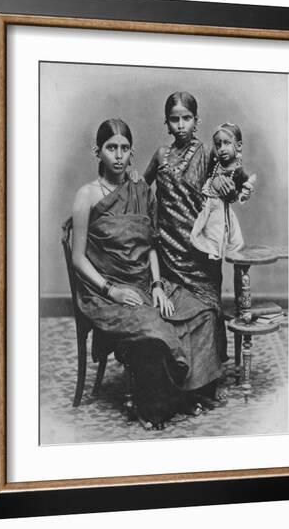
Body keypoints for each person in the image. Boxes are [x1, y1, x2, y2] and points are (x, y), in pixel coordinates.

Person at [71, 118, 207, 429]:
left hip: (145, 281)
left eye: (124, 149)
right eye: (110, 148)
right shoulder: (87, 196)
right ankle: (160, 406)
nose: (118, 156)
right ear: (98, 151)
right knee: (154, 328)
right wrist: (111, 291)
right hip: (106, 290)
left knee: (198, 313)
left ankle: (187, 391)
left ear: (132, 152)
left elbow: (150, 245)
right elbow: (78, 258)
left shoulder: (140, 189)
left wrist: (158, 285)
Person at [144, 92, 252, 404]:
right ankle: (180, 381)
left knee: (208, 311)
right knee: (174, 316)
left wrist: (229, 187)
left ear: (197, 120)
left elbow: (226, 184)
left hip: (199, 254)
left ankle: (209, 379)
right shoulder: (161, 154)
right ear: (166, 123)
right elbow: (140, 187)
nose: (180, 125)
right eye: (174, 119)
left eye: (186, 118)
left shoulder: (208, 153)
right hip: (167, 254)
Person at [190, 122, 256, 259]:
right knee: (201, 235)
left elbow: (241, 195)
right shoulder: (215, 165)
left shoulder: (238, 172)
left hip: (220, 213)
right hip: (207, 208)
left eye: (227, 143)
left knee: (218, 238)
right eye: (218, 145)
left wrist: (244, 193)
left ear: (239, 146)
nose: (222, 149)